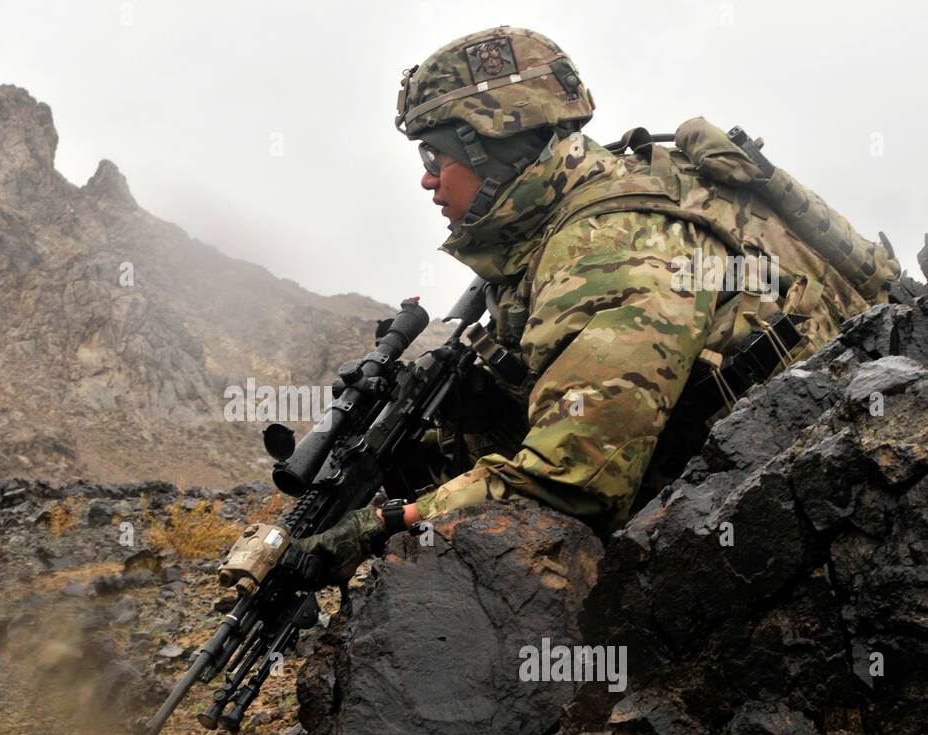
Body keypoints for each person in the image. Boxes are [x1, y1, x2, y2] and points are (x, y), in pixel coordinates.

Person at [291, 25, 906, 583]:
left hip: (843, 508)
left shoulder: (606, 248)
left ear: (491, 146)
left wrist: (380, 527)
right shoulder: (602, 185)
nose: (427, 180)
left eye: (434, 156)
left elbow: (573, 484)